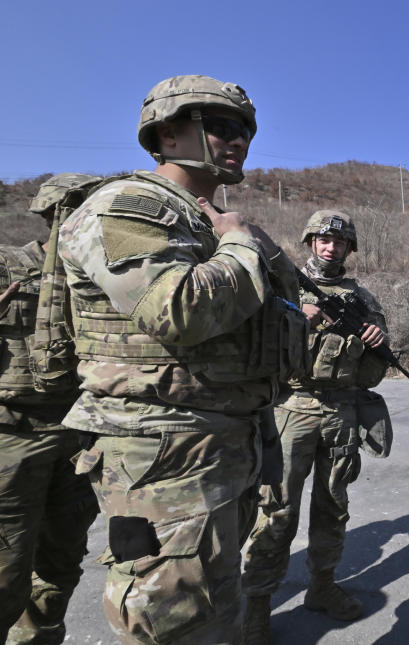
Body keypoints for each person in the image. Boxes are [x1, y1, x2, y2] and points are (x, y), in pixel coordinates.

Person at [57, 75, 308, 644]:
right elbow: (180, 309)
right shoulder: (129, 205)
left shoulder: (208, 218)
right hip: (164, 450)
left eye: (244, 130)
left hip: (223, 440)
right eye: (219, 127)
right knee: (172, 618)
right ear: (167, 135)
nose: (238, 140)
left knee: (215, 607)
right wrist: (242, 244)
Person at [242, 210, 392, 643]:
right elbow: (254, 343)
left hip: (342, 411)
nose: (331, 248)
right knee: (277, 509)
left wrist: (377, 345)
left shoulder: (361, 298)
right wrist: (295, 319)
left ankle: (322, 587)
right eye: (324, 240)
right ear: (310, 242)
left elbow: (372, 372)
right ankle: (256, 605)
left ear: (349, 248)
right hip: (292, 409)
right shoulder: (281, 286)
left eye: (340, 242)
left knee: (333, 504)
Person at [0, 174, 101, 644]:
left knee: (60, 569)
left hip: (78, 437)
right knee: (5, 573)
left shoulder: (107, 280)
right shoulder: (8, 267)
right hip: (12, 438)